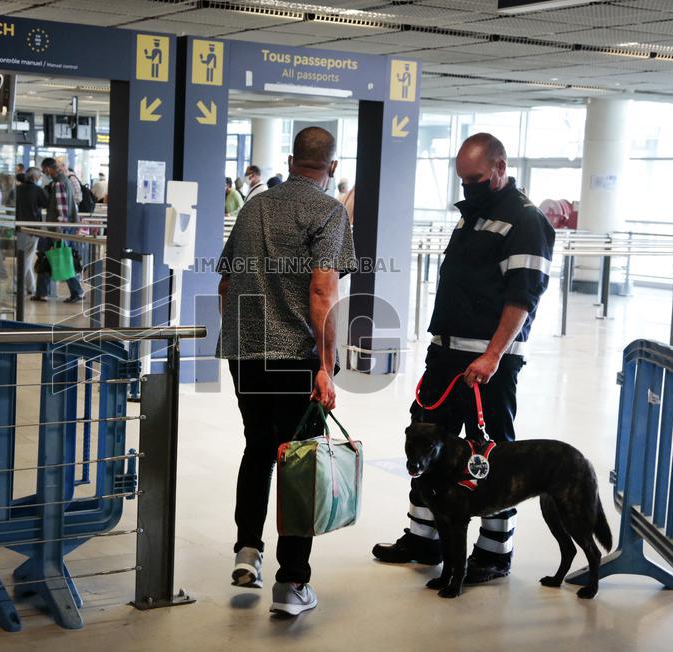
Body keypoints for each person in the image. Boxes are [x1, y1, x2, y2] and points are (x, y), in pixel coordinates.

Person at [372, 132, 556, 585]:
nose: (467, 186)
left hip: (487, 364)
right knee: (425, 443)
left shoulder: (525, 221)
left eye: (475, 178)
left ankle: (494, 554)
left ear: (500, 167)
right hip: (447, 355)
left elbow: (522, 297)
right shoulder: (474, 214)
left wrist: (493, 355)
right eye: (462, 180)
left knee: (490, 453)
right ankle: (423, 538)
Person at [217, 127, 356, 617]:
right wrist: (324, 365)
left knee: (258, 447)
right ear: (332, 168)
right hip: (295, 355)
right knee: (299, 461)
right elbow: (323, 293)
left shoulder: (254, 204)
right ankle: (292, 582)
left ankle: (247, 551)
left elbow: (227, 282)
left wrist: (240, 338)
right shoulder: (328, 211)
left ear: (292, 159)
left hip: (244, 351)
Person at [38, 157, 85, 303]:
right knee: (50, 257)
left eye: (43, 169)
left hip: (59, 229)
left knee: (60, 259)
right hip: (62, 228)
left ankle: (77, 291)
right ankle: (41, 292)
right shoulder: (65, 180)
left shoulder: (58, 183)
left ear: (47, 168)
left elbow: (62, 210)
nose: (43, 172)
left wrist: (58, 233)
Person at [14, 167, 49, 297]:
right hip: (32, 229)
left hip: (19, 227)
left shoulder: (17, 190)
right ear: (35, 177)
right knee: (26, 259)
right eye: (39, 176)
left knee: (25, 257)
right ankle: (16, 283)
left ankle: (31, 287)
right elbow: (47, 203)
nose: (40, 178)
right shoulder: (38, 190)